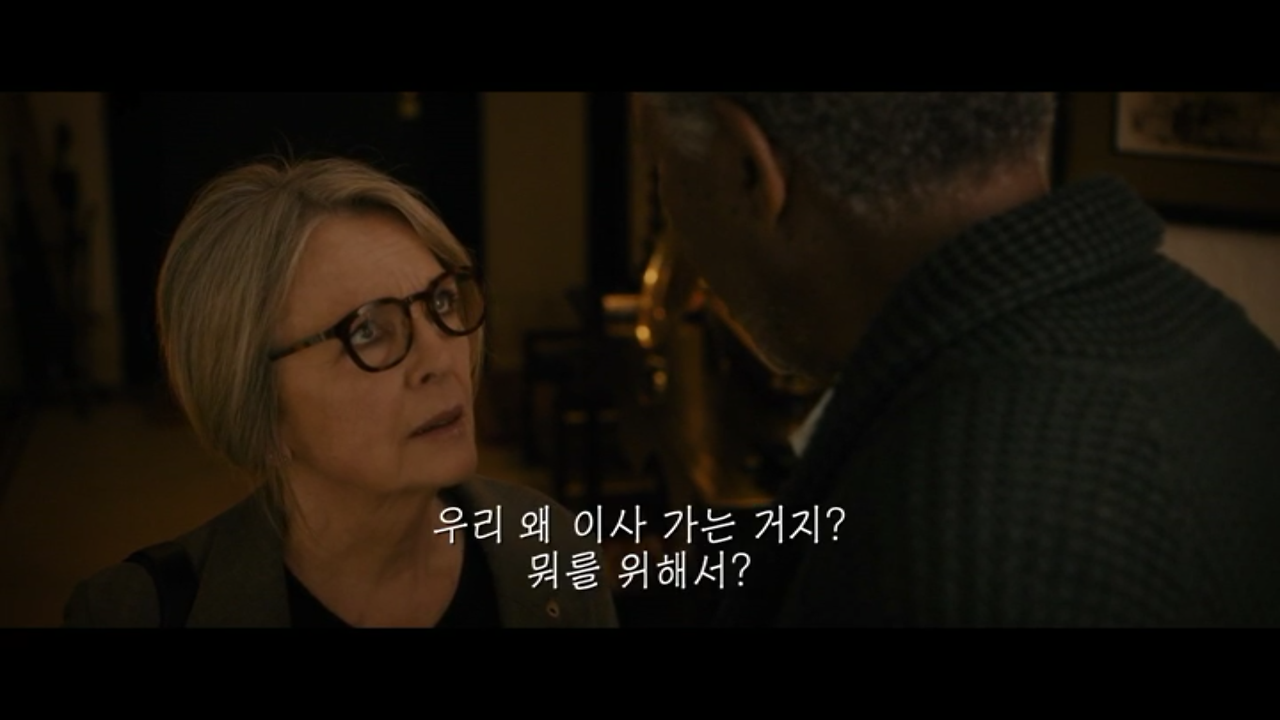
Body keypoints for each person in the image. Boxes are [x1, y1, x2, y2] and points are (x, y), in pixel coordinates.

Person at [635, 92, 1280, 627]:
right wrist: (632, 562)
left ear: (746, 169)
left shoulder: (943, 541)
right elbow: (828, 533)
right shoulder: (1214, 349)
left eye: (661, 168)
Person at [63, 157, 618, 627]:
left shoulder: (553, 547)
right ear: (258, 403)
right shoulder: (136, 611)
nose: (439, 361)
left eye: (443, 302)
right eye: (368, 331)